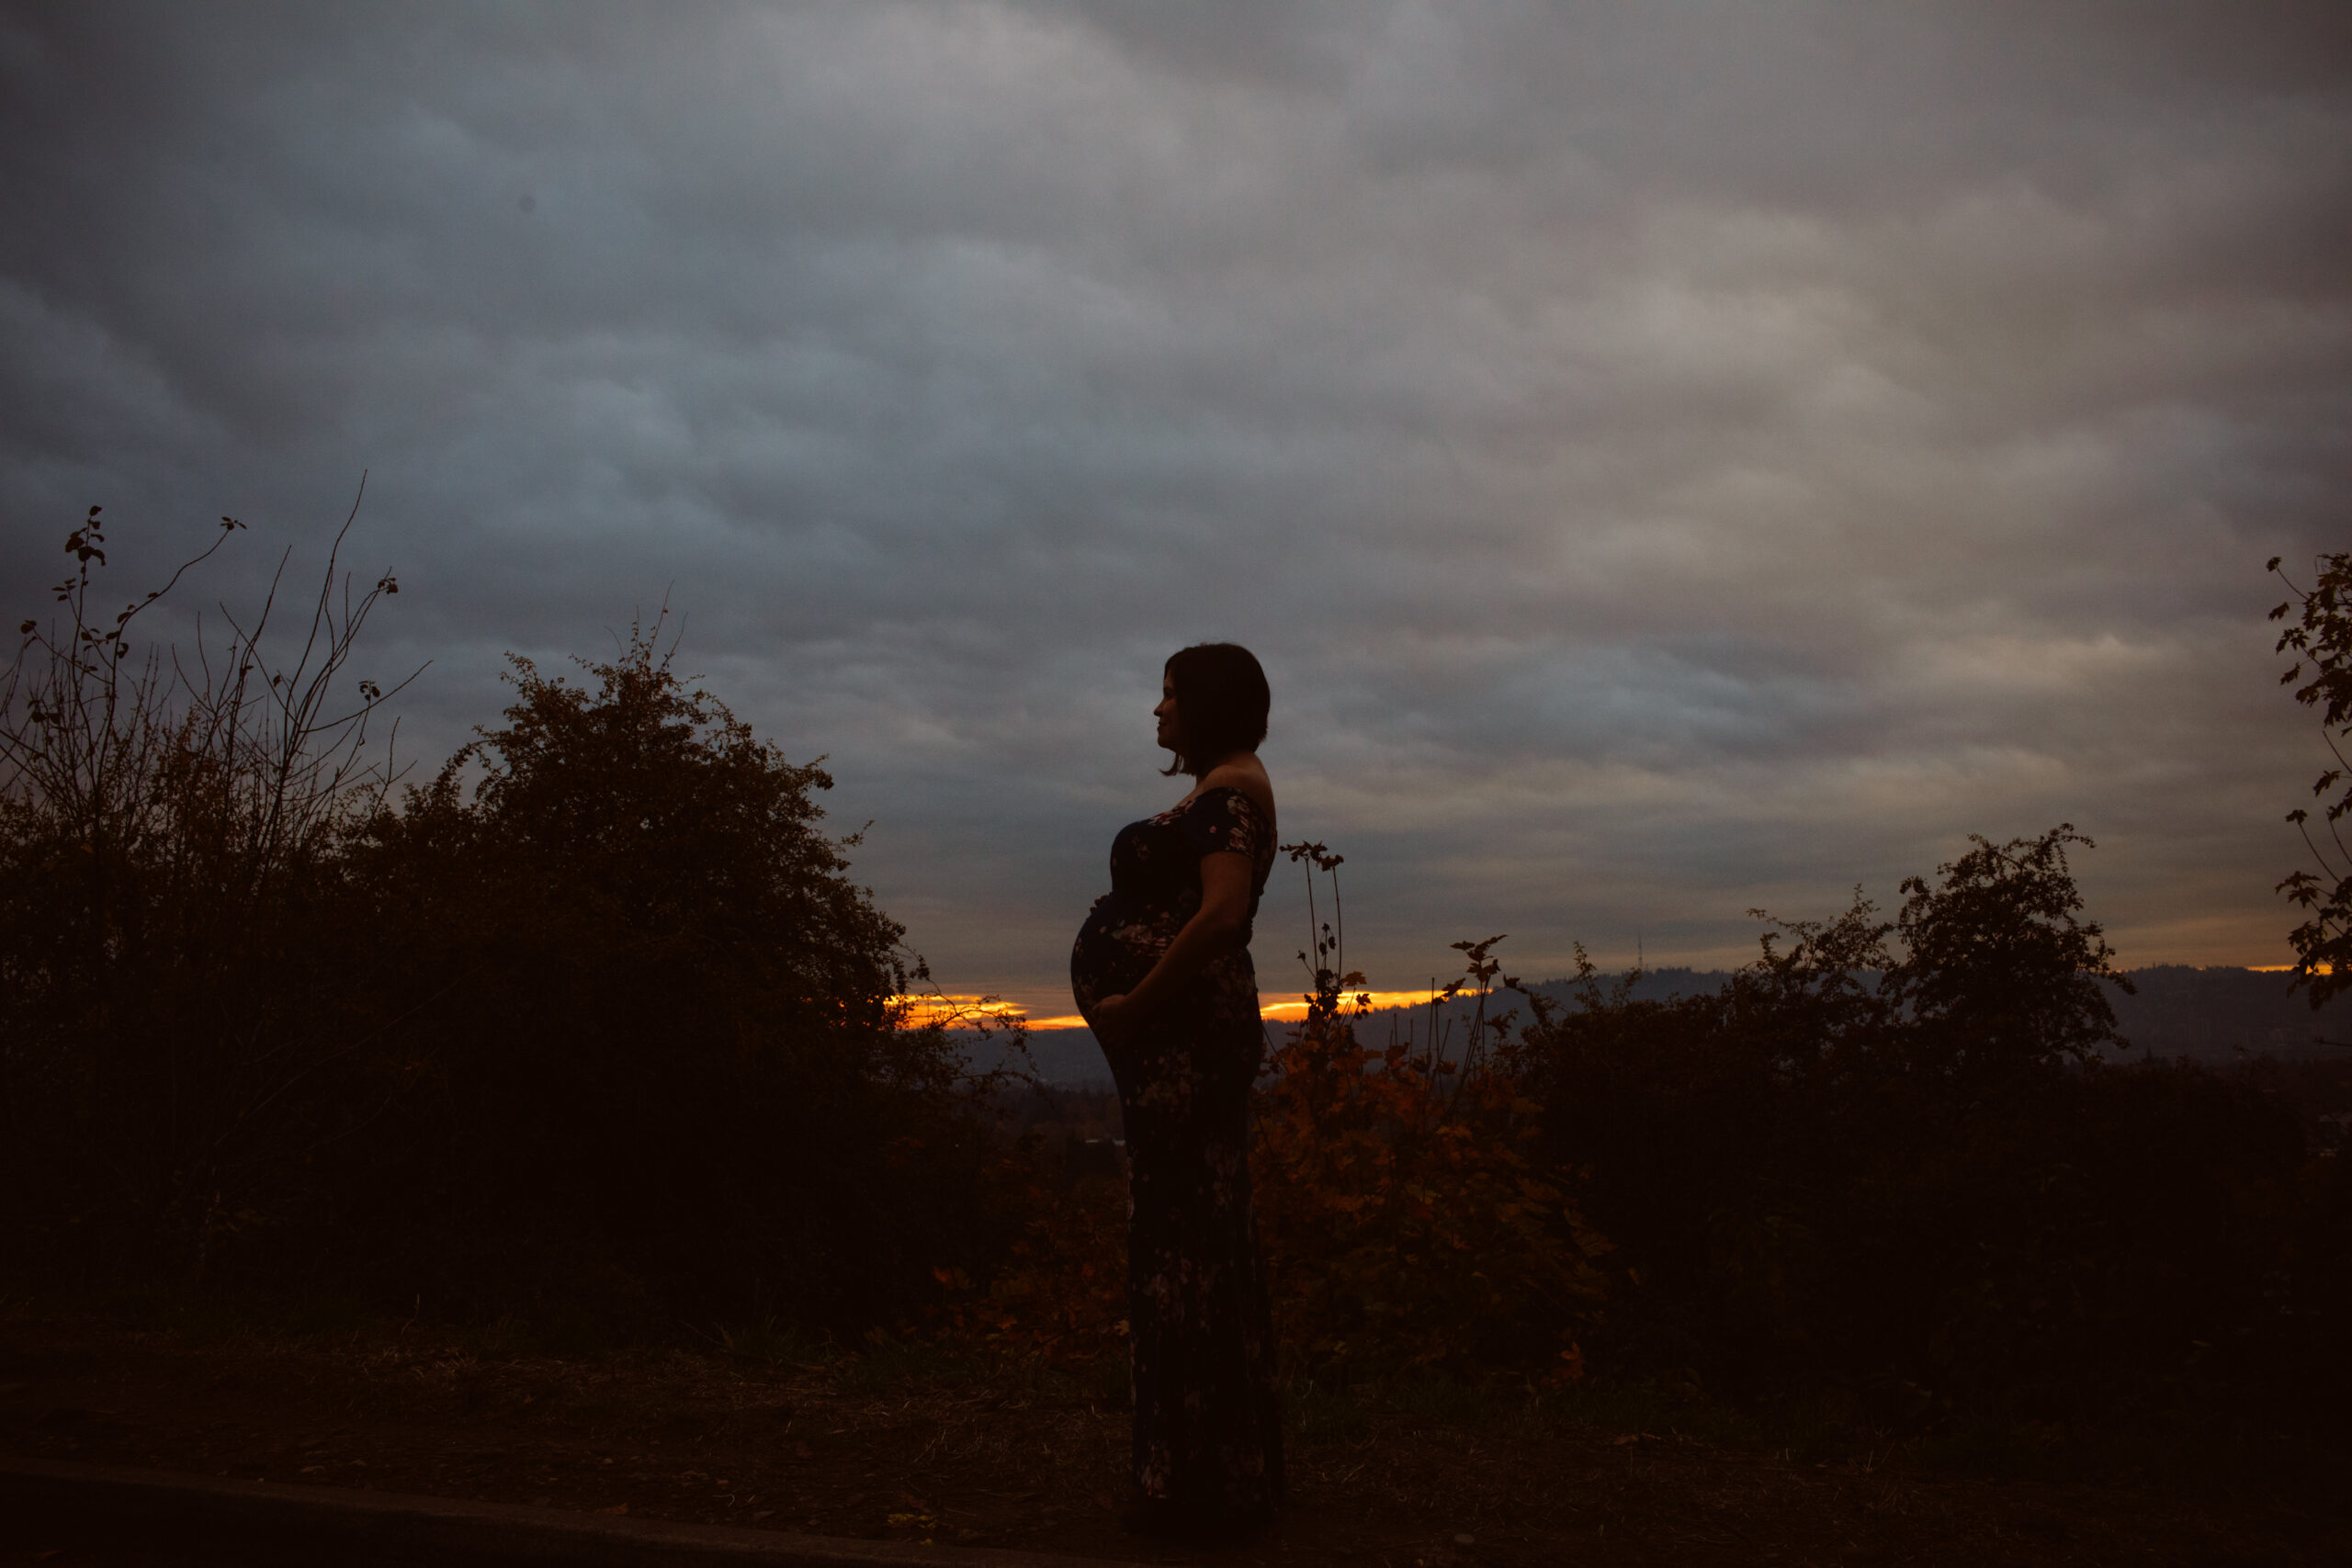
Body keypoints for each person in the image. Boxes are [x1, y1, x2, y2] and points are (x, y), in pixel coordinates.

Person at [1069, 641, 1285, 1540]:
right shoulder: (1220, 787)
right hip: (1177, 1040)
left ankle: (1191, 1489)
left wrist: (1137, 1001)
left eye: (1168, 698)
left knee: (1183, 1246)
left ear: (1208, 705)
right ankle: (1211, 1476)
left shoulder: (1233, 790)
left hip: (1187, 1041)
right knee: (1186, 1240)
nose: (1156, 714)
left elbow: (1224, 915)